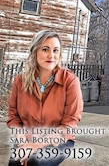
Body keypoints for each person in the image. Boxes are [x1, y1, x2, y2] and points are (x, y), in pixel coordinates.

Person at [7, 30, 83, 166]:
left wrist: (35, 146)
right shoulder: (20, 80)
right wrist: (22, 140)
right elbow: (13, 116)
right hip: (27, 136)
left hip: (60, 140)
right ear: (35, 51)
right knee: (15, 163)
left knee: (37, 161)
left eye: (55, 50)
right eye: (45, 49)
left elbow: (70, 123)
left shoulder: (70, 81)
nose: (51, 55)